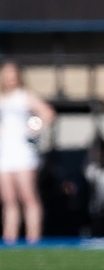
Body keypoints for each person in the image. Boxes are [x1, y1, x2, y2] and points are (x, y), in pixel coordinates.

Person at [0, 61, 55, 244]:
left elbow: (48, 113)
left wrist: (34, 130)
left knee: (28, 197)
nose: (10, 78)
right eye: (6, 74)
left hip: (23, 153)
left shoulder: (25, 96)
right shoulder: (2, 97)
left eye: (13, 73)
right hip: (5, 154)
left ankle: (33, 239)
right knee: (8, 200)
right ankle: (10, 239)